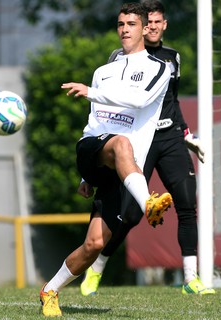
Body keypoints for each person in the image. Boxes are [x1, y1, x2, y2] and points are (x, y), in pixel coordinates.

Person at [39, 3, 173, 317]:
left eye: (131, 24)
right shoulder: (103, 71)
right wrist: (87, 175)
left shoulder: (159, 69)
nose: (124, 29)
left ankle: (49, 290)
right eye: (120, 24)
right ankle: (148, 203)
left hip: (123, 169)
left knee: (95, 244)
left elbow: (140, 100)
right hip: (94, 149)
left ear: (144, 29)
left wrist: (92, 92)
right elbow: (96, 122)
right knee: (120, 143)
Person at [79, 0, 215, 297]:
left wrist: (187, 133)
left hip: (169, 138)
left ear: (164, 24)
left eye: (156, 22)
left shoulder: (172, 59)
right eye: (147, 22)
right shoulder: (119, 58)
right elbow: (107, 111)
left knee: (186, 204)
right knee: (129, 214)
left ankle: (191, 278)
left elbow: (172, 102)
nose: (151, 26)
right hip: (140, 139)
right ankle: (98, 266)